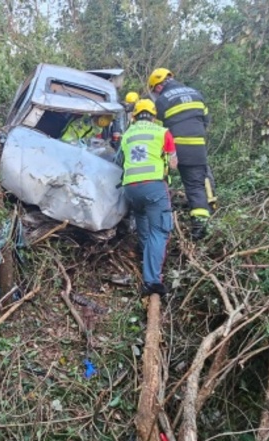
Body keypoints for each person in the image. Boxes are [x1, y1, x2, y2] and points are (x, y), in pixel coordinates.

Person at [148, 68, 217, 240]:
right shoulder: (196, 94)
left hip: (175, 148)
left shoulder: (162, 101)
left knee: (160, 179)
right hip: (197, 147)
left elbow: (157, 131)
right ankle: (200, 226)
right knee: (195, 186)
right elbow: (206, 120)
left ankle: (159, 220)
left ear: (157, 87)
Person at [118, 99, 178, 296]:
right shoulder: (162, 133)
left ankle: (146, 254)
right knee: (159, 231)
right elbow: (174, 163)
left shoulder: (127, 135)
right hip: (153, 188)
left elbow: (119, 160)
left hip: (130, 189)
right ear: (154, 115)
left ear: (134, 116)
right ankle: (152, 281)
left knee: (141, 216)